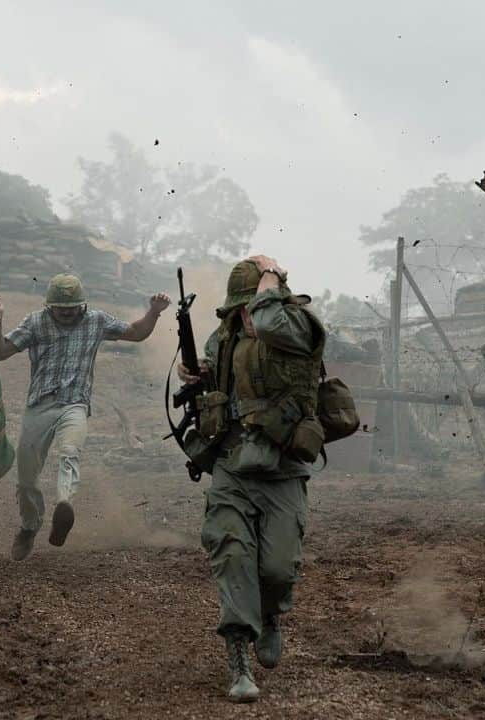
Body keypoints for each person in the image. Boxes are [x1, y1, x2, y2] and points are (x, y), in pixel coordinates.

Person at [177, 255, 324, 703]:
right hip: (232, 464)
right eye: (240, 307)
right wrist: (197, 374)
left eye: (253, 304)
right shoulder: (224, 337)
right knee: (232, 552)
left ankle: (271, 614)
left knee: (278, 569)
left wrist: (271, 279)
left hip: (282, 467)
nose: (247, 315)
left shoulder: (299, 328)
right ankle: (238, 657)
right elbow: (216, 382)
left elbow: (272, 321)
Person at [0, 273, 171, 561]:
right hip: (39, 406)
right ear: (50, 307)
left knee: (70, 452)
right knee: (26, 478)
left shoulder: (96, 320)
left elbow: (136, 333)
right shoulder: (35, 322)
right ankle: (29, 526)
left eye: (72, 308)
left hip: (74, 404)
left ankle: (64, 505)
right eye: (61, 309)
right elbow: (0, 353)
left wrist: (154, 312)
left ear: (82, 305)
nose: (67, 313)